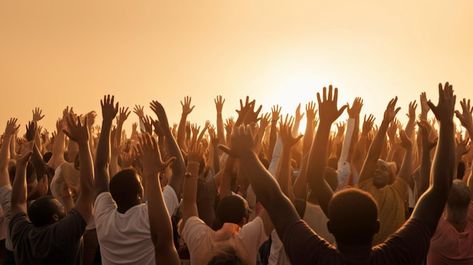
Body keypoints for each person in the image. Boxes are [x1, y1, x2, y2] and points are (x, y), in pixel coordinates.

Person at [220, 83, 456, 265]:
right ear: (377, 227)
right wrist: (446, 123)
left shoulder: (316, 256)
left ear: (330, 227)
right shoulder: (396, 256)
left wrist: (249, 156)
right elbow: (440, 189)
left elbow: (274, 199)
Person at [93, 96, 184, 265]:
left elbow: (99, 169)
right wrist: (165, 127)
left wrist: (106, 123)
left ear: (113, 197)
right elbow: (179, 172)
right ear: (140, 192)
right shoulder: (150, 215)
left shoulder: (104, 219)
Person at [9, 112, 94, 265]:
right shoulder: (64, 233)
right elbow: (87, 191)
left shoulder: (23, 234)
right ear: (55, 218)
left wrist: (21, 166)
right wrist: (84, 142)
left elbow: (17, 203)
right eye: (60, 206)